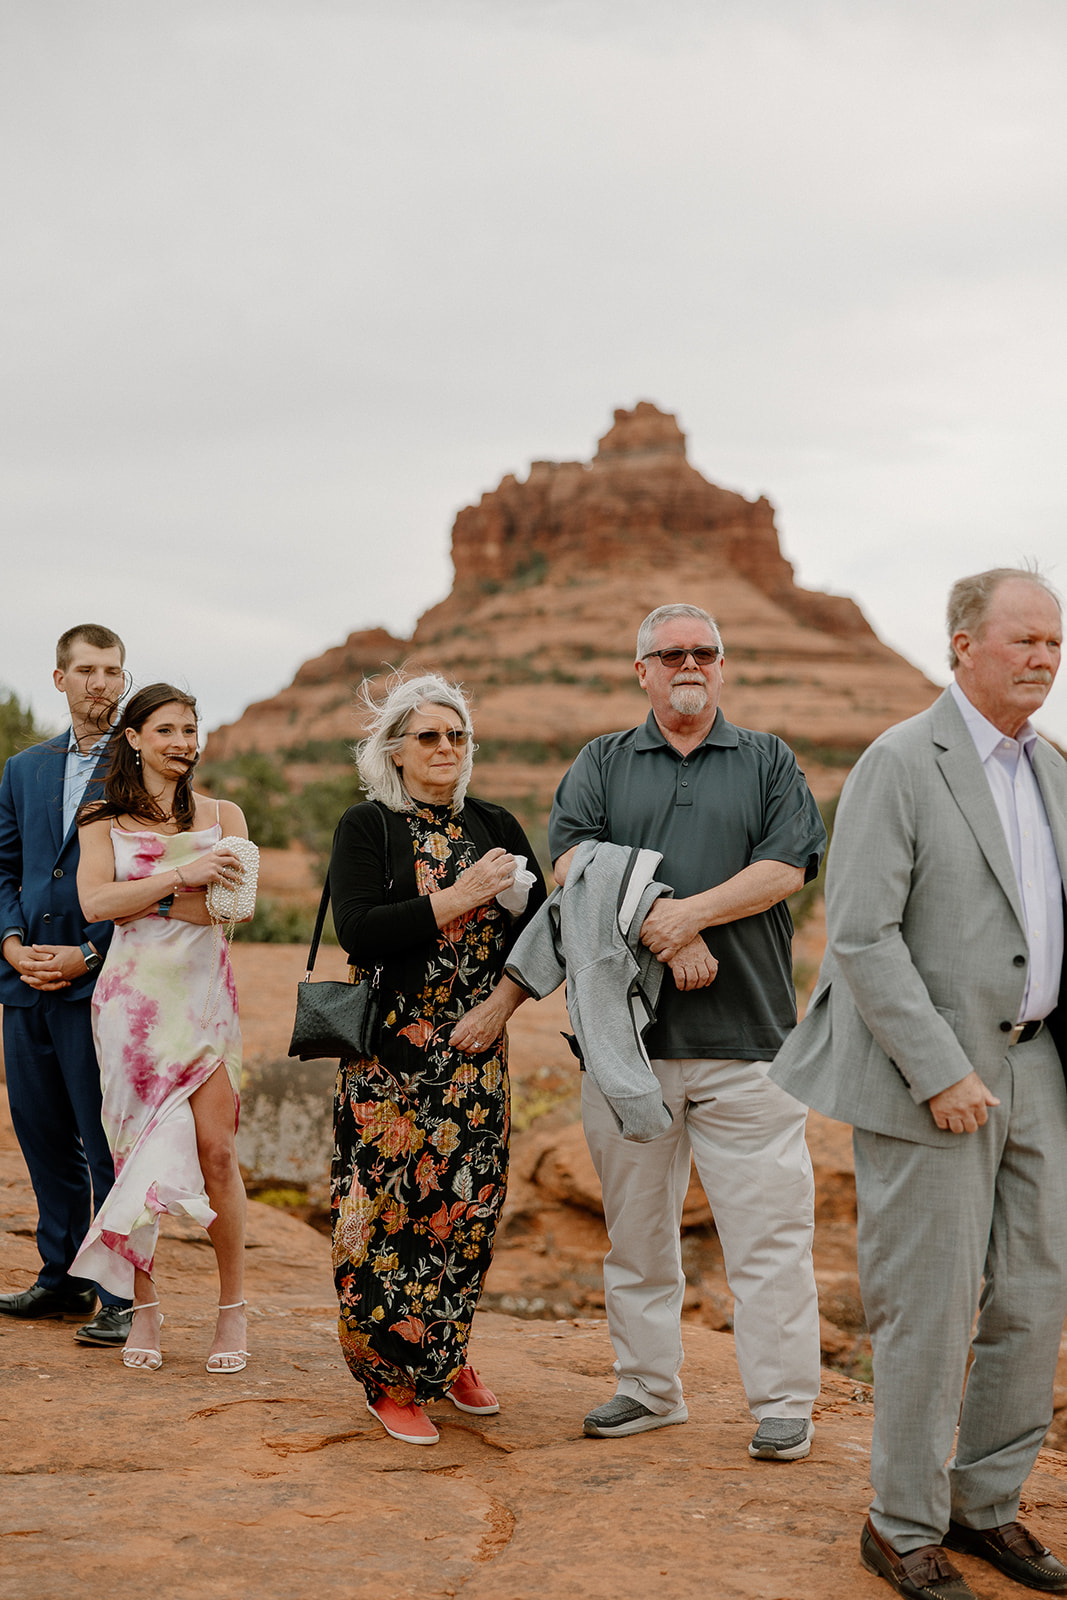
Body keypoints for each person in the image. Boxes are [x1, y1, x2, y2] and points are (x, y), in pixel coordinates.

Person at [772, 568, 1067, 1599]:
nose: (1041, 657)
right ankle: (898, 1523)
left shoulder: (1053, 771)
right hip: (930, 1078)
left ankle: (980, 1506)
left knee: (1031, 1300)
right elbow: (858, 932)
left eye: (1053, 643)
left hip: (1037, 1066)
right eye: (1023, 639)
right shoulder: (899, 761)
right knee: (928, 1307)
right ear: (960, 644)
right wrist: (939, 1068)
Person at [548, 602, 826, 1459]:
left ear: (721, 663)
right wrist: (664, 918)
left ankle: (782, 1405)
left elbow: (784, 868)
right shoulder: (600, 762)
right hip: (626, 1046)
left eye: (703, 650)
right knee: (635, 1238)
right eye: (669, 654)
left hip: (748, 1044)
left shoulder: (767, 759)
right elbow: (569, 867)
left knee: (770, 1237)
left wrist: (686, 919)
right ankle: (647, 1388)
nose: (687, 664)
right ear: (642, 671)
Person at [328, 672, 547, 1446]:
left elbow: (542, 934)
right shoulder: (369, 826)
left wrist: (502, 1006)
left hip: (479, 1050)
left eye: (456, 735)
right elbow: (360, 929)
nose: (445, 747)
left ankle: (444, 1352)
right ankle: (388, 1378)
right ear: (394, 748)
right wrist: (461, 895)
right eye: (428, 735)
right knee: (388, 1216)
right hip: (390, 1059)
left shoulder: (497, 824)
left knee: (467, 1209)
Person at [72, 683, 252, 1375]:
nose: (182, 741)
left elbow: (235, 910)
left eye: (190, 728)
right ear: (135, 737)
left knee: (216, 1156)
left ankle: (231, 1311)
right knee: (134, 1164)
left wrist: (149, 896)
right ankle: (145, 1312)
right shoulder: (101, 818)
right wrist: (190, 877)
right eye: (167, 729)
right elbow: (95, 901)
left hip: (205, 1002)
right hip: (131, 1009)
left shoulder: (223, 814)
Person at [0, 623, 134, 1345]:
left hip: (101, 984)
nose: (101, 684)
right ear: (60, 680)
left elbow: (149, 885)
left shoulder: (144, 769)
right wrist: (11, 944)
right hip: (24, 983)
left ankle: (118, 1291)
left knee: (107, 1138)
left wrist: (91, 952)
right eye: (86, 670)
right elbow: (2, 866)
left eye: (112, 671)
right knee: (43, 1135)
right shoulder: (22, 769)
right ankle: (62, 1280)